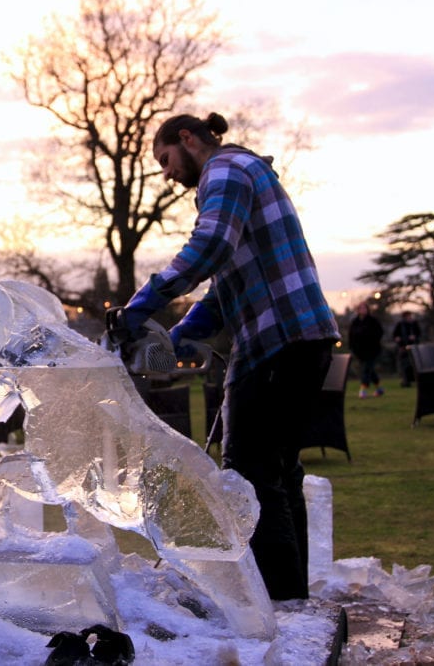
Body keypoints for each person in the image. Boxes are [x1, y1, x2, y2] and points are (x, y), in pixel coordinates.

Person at [112, 112, 340, 601]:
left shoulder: (225, 170)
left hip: (277, 342)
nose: (166, 173)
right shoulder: (245, 174)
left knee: (251, 477)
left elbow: (210, 245)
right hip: (301, 339)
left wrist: (140, 305)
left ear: (188, 138)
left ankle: (276, 605)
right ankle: (294, 604)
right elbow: (222, 293)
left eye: (166, 159)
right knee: (279, 472)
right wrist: (173, 338)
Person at [348, 302, 384, 398]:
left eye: (364, 308)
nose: (362, 310)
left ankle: (363, 389)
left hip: (372, 350)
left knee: (366, 369)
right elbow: (351, 336)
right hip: (360, 351)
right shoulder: (355, 322)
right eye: (360, 308)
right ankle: (379, 388)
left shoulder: (373, 321)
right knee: (369, 370)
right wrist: (352, 347)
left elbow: (379, 333)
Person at [391, 311, 421, 387]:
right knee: (404, 365)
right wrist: (397, 339)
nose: (409, 318)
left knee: (414, 364)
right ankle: (406, 381)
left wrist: (415, 337)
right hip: (403, 347)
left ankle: (416, 379)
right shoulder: (400, 325)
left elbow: (419, 333)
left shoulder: (414, 324)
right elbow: (395, 335)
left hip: (413, 347)